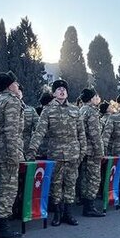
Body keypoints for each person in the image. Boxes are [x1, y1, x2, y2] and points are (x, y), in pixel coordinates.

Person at [26, 79, 86, 226]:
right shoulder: (48, 110)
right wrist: (32, 150)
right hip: (56, 153)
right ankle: (58, 214)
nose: (62, 91)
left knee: (71, 183)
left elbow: (81, 133)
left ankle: (68, 214)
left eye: (64, 89)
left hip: (73, 153)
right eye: (58, 89)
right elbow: (39, 132)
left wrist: (82, 150)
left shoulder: (75, 110)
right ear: (53, 93)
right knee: (56, 184)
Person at [0, 71, 25, 238]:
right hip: (8, 150)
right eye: (16, 84)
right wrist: (12, 155)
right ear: (10, 86)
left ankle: (0, 224)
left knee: (1, 188)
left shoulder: (0, 100)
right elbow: (11, 131)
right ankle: (2, 228)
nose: (18, 86)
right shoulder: (12, 101)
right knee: (8, 189)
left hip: (0, 149)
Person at [77, 88, 105, 217]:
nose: (98, 98)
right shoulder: (92, 111)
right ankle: (89, 206)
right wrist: (100, 152)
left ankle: (83, 200)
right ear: (92, 98)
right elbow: (95, 134)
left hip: (83, 149)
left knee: (84, 177)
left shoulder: (81, 110)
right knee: (94, 178)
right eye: (96, 96)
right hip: (92, 150)